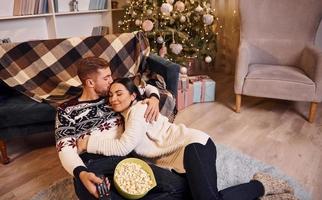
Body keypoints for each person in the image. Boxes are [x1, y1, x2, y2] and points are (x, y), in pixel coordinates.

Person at [78, 77, 298, 200]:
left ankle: (259, 186)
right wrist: (153, 96)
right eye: (111, 95)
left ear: (133, 95)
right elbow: (149, 86)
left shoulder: (137, 111)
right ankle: (259, 189)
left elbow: (124, 146)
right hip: (180, 162)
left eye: (119, 93)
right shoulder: (130, 115)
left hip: (193, 146)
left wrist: (89, 143)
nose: (113, 98)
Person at [55, 57, 189, 200]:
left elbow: (145, 87)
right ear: (90, 82)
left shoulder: (115, 95)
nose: (111, 80)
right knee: (95, 192)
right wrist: (81, 172)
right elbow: (65, 149)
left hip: (124, 158)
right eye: (106, 78)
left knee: (180, 187)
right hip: (92, 164)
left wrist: (155, 98)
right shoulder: (66, 110)